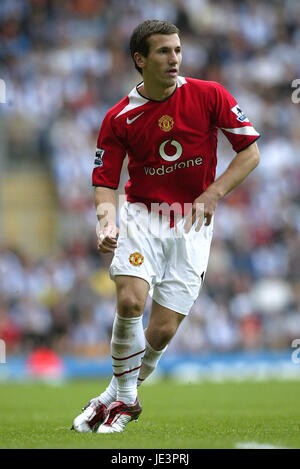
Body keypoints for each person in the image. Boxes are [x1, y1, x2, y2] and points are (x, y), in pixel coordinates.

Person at [72, 19, 260, 434]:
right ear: (140, 60)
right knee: (130, 303)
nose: (174, 58)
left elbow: (249, 152)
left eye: (176, 50)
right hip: (142, 216)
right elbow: (104, 181)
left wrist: (213, 194)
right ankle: (124, 401)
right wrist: (106, 222)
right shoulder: (119, 117)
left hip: (192, 225)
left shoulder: (211, 95)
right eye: (163, 51)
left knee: (159, 331)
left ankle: (115, 397)